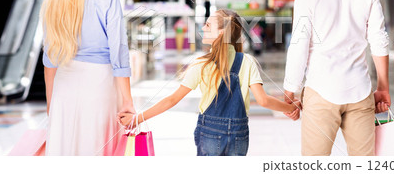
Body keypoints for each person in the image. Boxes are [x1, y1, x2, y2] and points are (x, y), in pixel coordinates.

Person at [118, 9, 301, 156]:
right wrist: (290, 108)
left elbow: (172, 100)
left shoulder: (201, 64)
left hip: (209, 133)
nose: (203, 28)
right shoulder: (247, 61)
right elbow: (263, 100)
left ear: (221, 32)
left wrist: (137, 118)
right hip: (239, 134)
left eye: (207, 25)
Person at [283, 0, 391, 156]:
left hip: (321, 90)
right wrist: (383, 87)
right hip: (359, 90)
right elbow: (379, 38)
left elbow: (300, 44)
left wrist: (290, 91)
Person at [41, 0, 135, 155]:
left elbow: (49, 61)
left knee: (64, 149)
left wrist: (51, 103)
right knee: (96, 148)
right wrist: (127, 101)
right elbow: (118, 52)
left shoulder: (52, 2)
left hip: (63, 86)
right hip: (98, 84)